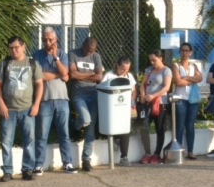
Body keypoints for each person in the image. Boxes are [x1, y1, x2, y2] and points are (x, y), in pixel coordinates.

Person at [0, 36, 44, 180]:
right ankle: (8, 171)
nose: (13, 50)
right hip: (8, 109)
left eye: (16, 47)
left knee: (29, 140)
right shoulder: (4, 63)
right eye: (11, 48)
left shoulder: (32, 63)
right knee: (6, 141)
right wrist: (1, 104)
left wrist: (36, 104)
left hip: (27, 109)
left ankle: (27, 169)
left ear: (23, 47)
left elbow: (40, 84)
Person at [33, 27, 76, 173]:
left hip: (62, 100)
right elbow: (40, 76)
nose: (47, 42)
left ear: (56, 39)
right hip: (44, 100)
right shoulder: (37, 55)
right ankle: (38, 164)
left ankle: (67, 163)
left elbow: (66, 74)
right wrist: (58, 74)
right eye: (45, 39)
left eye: (50, 39)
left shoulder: (62, 54)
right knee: (42, 134)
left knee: (64, 133)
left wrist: (56, 57)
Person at [69, 36, 104, 172]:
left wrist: (81, 74)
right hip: (79, 95)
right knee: (86, 119)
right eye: (88, 50)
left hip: (93, 94)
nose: (90, 53)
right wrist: (91, 73)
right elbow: (72, 75)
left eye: (92, 50)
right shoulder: (73, 54)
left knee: (91, 127)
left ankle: (86, 159)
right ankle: (74, 125)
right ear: (83, 45)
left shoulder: (96, 56)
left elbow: (99, 77)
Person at [171, 42, 204, 160]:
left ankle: (190, 150)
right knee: (180, 126)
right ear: (180, 52)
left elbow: (200, 78)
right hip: (180, 99)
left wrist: (186, 77)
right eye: (183, 50)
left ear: (190, 53)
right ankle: (179, 150)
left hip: (193, 100)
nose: (185, 53)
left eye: (187, 50)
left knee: (190, 125)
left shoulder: (194, 66)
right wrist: (192, 79)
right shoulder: (176, 66)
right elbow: (178, 82)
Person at [101, 57, 137, 165]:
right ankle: (116, 138)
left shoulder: (129, 76)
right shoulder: (108, 76)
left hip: (125, 107)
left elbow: (134, 90)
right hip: (113, 108)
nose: (125, 72)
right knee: (114, 125)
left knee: (126, 129)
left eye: (127, 70)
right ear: (117, 65)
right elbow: (103, 90)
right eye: (123, 69)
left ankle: (124, 157)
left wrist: (132, 100)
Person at [140, 49, 172, 163]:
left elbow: (166, 87)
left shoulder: (166, 71)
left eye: (154, 60)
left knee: (159, 128)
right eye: (150, 60)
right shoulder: (149, 70)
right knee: (144, 127)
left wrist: (153, 96)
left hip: (160, 103)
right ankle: (147, 152)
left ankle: (156, 153)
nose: (152, 63)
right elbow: (143, 84)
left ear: (160, 58)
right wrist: (143, 95)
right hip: (147, 102)